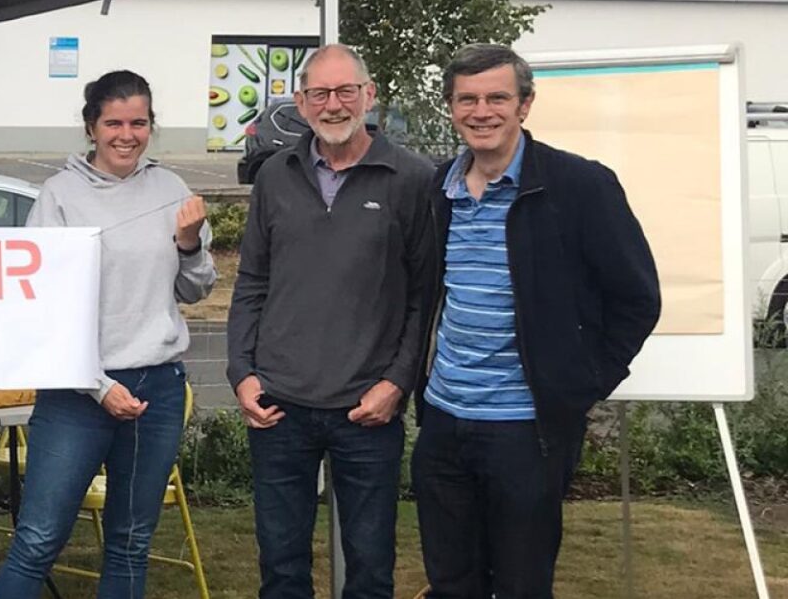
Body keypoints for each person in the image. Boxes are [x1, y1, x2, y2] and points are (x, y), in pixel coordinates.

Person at [413, 44, 662, 598]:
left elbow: (637, 300)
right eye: (467, 99)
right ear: (451, 108)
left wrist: (579, 384)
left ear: (525, 105)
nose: (482, 112)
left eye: (497, 97)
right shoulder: (438, 190)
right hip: (445, 420)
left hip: (527, 430)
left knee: (523, 584)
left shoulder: (580, 187)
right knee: (452, 582)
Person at [0, 69, 214, 599]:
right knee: (39, 538)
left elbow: (196, 289)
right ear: (91, 126)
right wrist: (98, 385)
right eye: (113, 122)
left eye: (138, 123)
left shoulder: (171, 189)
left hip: (156, 389)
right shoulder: (60, 196)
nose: (126, 134)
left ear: (151, 127)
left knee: (132, 542)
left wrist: (188, 244)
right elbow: (43, 307)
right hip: (78, 393)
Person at [226, 45, 438, 599]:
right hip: (278, 405)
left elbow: (423, 295)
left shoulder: (412, 178)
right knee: (281, 566)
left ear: (369, 96)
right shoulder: (275, 175)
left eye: (346, 91)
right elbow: (251, 282)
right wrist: (241, 374)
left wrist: (397, 383)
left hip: (366, 410)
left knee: (370, 569)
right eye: (320, 93)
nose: (334, 104)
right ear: (301, 103)